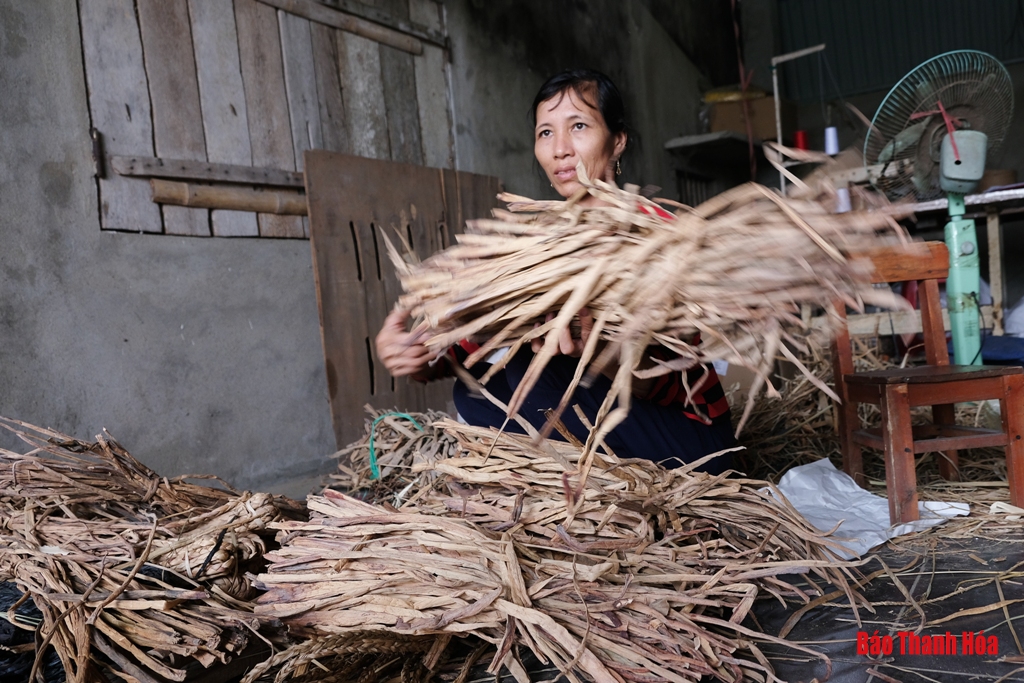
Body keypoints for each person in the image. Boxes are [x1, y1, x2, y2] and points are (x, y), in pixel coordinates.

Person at [375, 69, 735, 474]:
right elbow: (461, 351)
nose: (560, 149)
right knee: (475, 390)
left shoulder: (652, 234)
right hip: (605, 424)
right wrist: (418, 355)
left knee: (534, 366)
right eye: (545, 133)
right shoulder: (536, 243)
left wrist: (599, 354)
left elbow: (673, 370)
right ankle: (567, 487)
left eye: (578, 126)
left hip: (693, 442)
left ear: (617, 141)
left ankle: (600, 494)